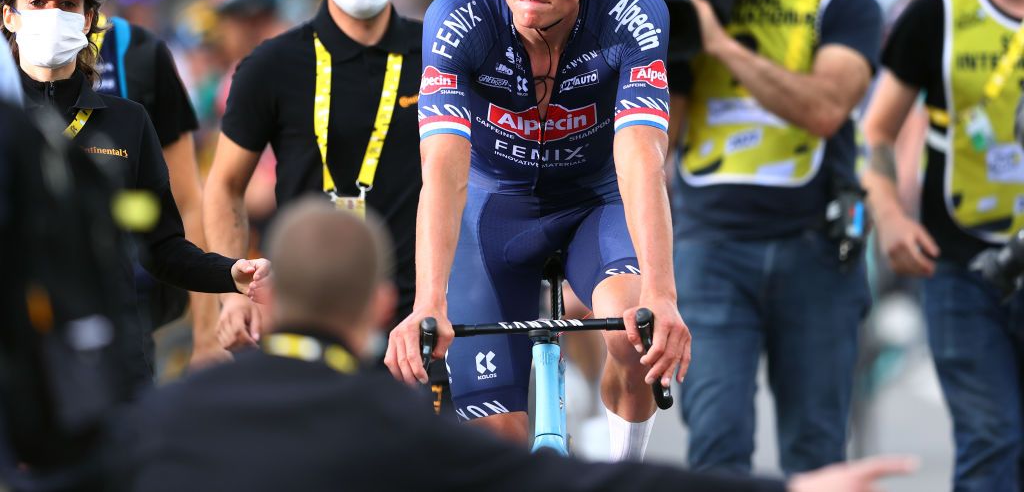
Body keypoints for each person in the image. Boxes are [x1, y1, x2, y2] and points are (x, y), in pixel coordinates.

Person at [125, 198, 914, 492]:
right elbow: (590, 483)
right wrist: (792, 489)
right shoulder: (400, 427)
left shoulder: (167, 413)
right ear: (381, 303)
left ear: (262, 293)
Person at [383, 0, 689, 461]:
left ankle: (622, 469)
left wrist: (663, 292)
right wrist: (428, 302)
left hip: (593, 204)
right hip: (494, 209)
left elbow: (639, 156)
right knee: (493, 445)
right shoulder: (458, 16)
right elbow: (443, 167)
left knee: (634, 335)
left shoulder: (635, 14)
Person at [666, 0, 881, 475]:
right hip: (709, 248)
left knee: (817, 454)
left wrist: (723, 46)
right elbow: (659, 136)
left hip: (816, 248)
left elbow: (823, 109)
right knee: (716, 442)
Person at [3, 0, 267, 385]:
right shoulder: (6, 122)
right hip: (17, 363)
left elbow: (161, 247)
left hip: (113, 360)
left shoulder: (127, 121)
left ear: (88, 19)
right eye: (37, 1)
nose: (53, 14)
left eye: (68, 4)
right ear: (9, 15)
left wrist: (228, 273)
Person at [204, 0, 422, 354]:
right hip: (305, 319)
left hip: (418, 317)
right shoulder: (271, 65)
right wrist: (231, 289)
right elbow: (224, 185)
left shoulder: (440, 54)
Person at [861, 0, 1024, 490]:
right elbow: (875, 131)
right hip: (960, 268)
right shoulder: (936, 15)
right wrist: (892, 216)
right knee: (992, 439)